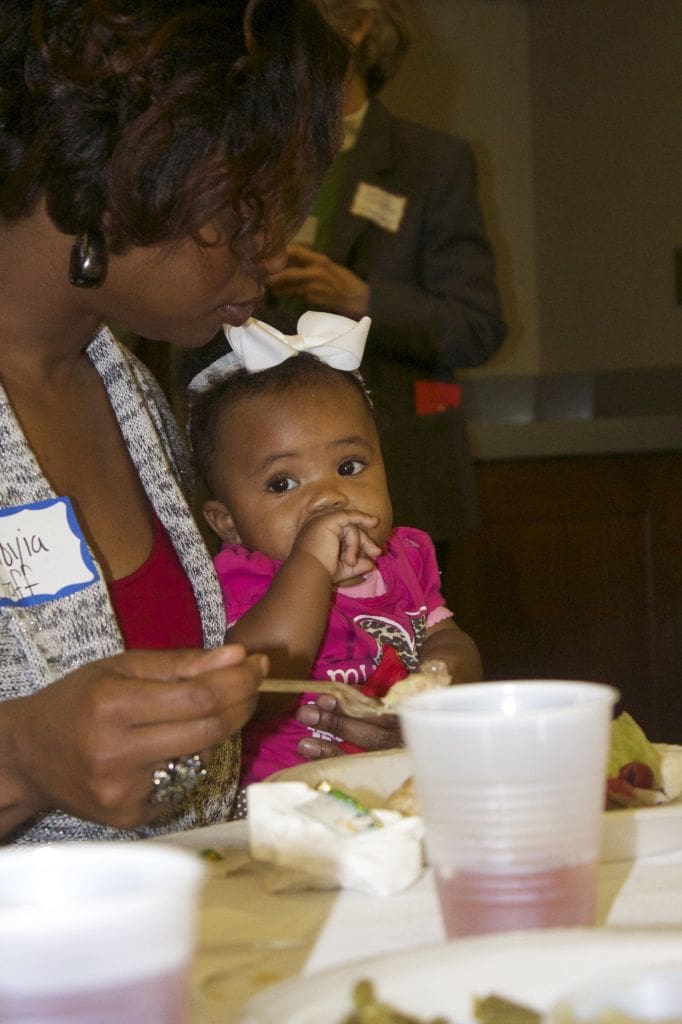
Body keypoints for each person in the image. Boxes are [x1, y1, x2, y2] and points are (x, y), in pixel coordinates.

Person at [0, 0, 349, 843]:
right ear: (116, 169)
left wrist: (318, 731)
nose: (274, 250)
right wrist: (20, 760)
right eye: (247, 201)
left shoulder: (128, 388)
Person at [260, 0, 508, 586]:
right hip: (264, 483)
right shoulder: (251, 154)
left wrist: (363, 301)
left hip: (397, 477)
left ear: (359, 24)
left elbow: (477, 326)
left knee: (403, 640)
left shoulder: (431, 162)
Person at [188, 313, 483, 783]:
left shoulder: (405, 555)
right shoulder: (241, 577)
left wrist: (444, 673)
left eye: (349, 467)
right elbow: (262, 688)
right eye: (283, 483)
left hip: (398, 778)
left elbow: (447, 637)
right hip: (287, 795)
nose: (329, 496)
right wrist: (311, 562)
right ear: (229, 524)